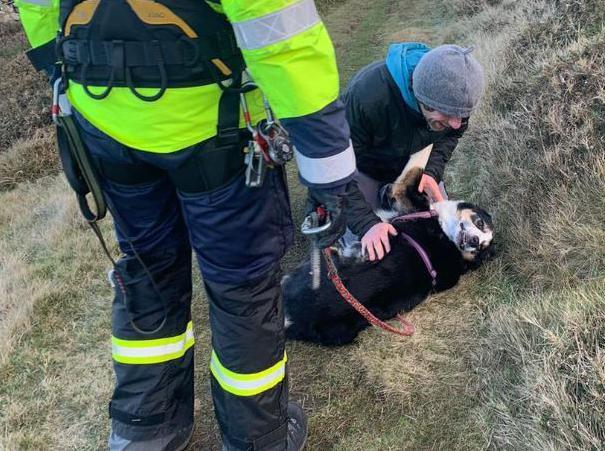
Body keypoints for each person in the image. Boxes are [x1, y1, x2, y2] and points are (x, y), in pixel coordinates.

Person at [14, 0, 354, 449]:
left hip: (104, 121)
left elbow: (38, 8)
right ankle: (258, 438)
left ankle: (144, 430)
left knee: (147, 269)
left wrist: (63, 74)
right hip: (215, 131)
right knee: (242, 289)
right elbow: (286, 44)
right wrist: (328, 175)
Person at [340, 42, 485, 261]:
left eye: (462, 116)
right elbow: (336, 167)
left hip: (410, 164)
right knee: (365, 251)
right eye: (447, 116)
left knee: (443, 230)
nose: (457, 124)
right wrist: (367, 224)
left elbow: (451, 136)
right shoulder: (366, 98)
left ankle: (392, 197)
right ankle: (333, 210)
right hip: (360, 167)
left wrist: (431, 173)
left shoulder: (457, 105)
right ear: (424, 100)